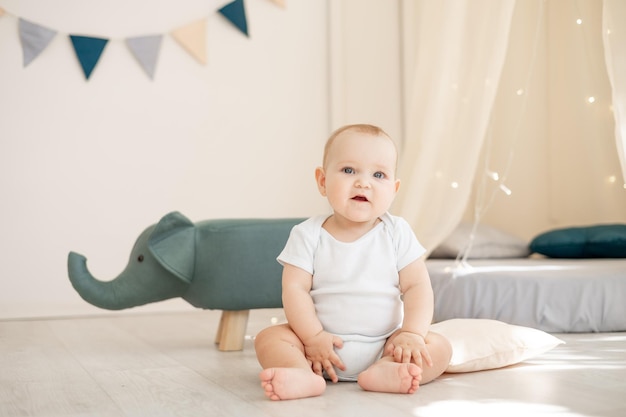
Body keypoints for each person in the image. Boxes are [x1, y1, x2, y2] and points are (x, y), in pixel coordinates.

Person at [254, 124, 452, 401]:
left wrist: (412, 333)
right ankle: (301, 373)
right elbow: (294, 290)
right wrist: (312, 337)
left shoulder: (397, 232)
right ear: (322, 181)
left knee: (439, 345)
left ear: (393, 190)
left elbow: (418, 286)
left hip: (386, 345)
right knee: (270, 338)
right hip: (318, 347)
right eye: (349, 170)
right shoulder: (307, 234)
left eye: (378, 174)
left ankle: (386, 371)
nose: (363, 182)